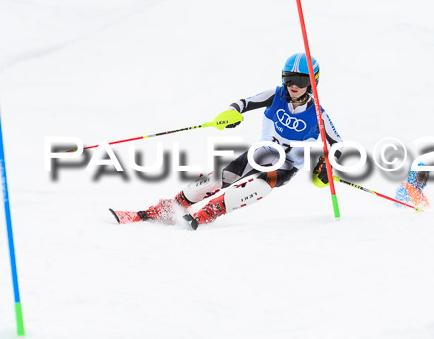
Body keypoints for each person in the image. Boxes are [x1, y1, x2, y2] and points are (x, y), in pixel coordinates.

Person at [132, 53, 342, 230]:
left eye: (301, 81)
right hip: (262, 152)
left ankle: (211, 211)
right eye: (288, 79)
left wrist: (327, 166)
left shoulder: (318, 115)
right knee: (220, 178)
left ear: (313, 83)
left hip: (286, 166)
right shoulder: (276, 95)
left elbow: (338, 146)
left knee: (260, 186)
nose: (293, 85)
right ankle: (172, 206)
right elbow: (243, 103)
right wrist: (230, 114)